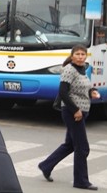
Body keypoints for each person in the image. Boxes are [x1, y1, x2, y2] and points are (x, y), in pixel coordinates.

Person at [38, 44, 101, 191]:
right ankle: (81, 181)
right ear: (72, 56)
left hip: (81, 112)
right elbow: (63, 92)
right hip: (73, 113)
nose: (80, 57)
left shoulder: (82, 69)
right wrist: (75, 110)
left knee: (70, 144)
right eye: (77, 54)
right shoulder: (69, 70)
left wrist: (92, 91)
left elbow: (84, 86)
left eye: (82, 54)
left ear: (86, 56)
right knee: (83, 148)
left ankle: (46, 166)